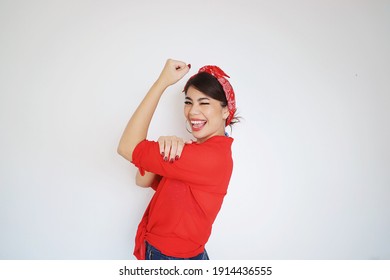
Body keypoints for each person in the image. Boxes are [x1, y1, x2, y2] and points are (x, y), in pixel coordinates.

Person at [117, 59, 238, 260]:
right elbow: (142, 180)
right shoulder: (197, 151)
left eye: (204, 103)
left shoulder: (208, 158)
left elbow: (126, 147)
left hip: (172, 259)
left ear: (226, 110)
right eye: (188, 102)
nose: (193, 112)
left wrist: (162, 82)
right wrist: (166, 145)